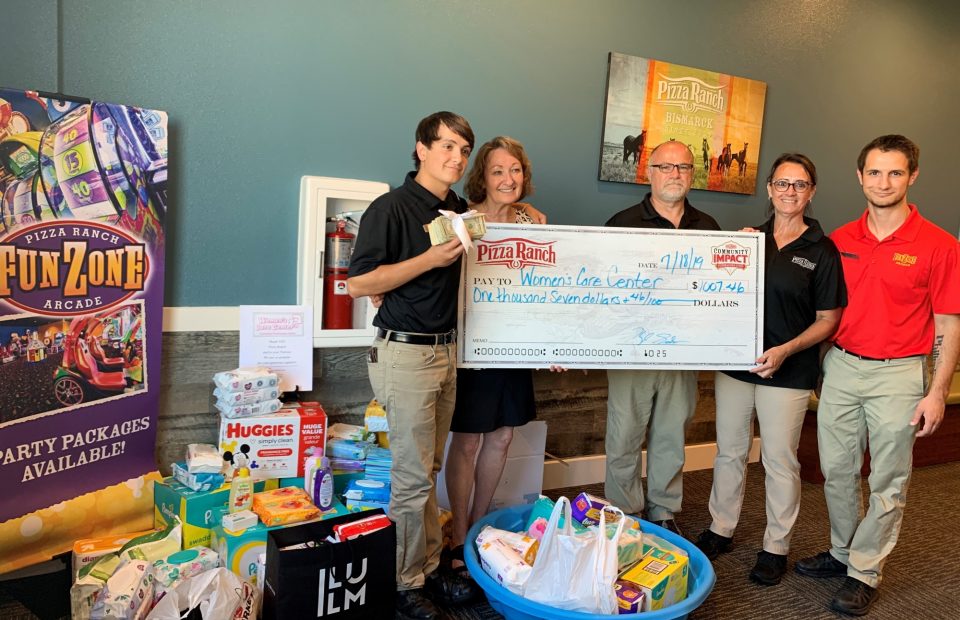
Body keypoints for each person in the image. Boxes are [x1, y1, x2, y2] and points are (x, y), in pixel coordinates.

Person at [794, 135, 960, 616]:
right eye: (874, 172)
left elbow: (949, 325)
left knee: (888, 479)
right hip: (842, 367)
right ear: (859, 177)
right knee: (838, 472)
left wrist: (936, 392)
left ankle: (865, 571)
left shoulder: (940, 245)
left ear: (912, 177)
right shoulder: (840, 240)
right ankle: (843, 551)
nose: (883, 182)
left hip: (900, 375)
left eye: (894, 173)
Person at [346, 111, 479, 620]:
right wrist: (429, 258)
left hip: (446, 352)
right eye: (446, 147)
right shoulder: (390, 209)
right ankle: (403, 586)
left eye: (463, 151)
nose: (456, 158)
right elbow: (358, 284)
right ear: (421, 149)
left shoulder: (461, 212)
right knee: (412, 475)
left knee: (429, 468)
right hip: (405, 353)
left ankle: (424, 568)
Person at [694, 154, 846, 586]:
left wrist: (786, 350)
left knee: (780, 460)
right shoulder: (749, 241)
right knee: (729, 452)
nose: (790, 192)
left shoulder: (822, 250)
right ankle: (720, 528)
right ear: (769, 189)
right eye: (782, 183)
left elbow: (828, 320)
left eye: (799, 185)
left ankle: (775, 546)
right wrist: (731, 251)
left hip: (790, 371)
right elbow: (712, 291)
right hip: (736, 368)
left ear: (811, 192)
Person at [604, 140, 720, 534]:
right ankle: (626, 509)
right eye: (666, 167)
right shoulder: (620, 224)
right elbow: (601, 291)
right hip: (631, 351)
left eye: (684, 168)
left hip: (683, 353)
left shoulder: (709, 228)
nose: (675, 175)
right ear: (648, 172)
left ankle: (663, 509)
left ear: (692, 176)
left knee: (672, 432)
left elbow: (721, 290)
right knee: (625, 432)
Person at [442, 136, 541, 577]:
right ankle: (458, 530)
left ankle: (479, 522)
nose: (507, 179)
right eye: (498, 171)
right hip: (471, 345)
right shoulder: (462, 221)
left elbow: (545, 288)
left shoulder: (535, 223)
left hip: (515, 344)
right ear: (482, 175)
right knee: (467, 440)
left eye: (515, 170)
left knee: (502, 436)